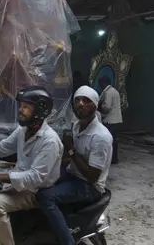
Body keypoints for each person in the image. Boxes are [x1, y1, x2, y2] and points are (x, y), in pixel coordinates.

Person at [0, 86, 63, 245]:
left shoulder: (50, 141)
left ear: (40, 111)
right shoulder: (23, 130)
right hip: (21, 183)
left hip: (35, 192)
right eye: (21, 106)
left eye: (26, 107)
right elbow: (3, 147)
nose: (21, 110)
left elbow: (35, 177)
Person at [36, 86, 113, 245]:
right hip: (73, 174)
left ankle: (67, 241)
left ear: (95, 105)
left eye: (86, 100)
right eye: (77, 100)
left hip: (89, 186)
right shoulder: (77, 126)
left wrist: (71, 151)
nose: (81, 104)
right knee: (38, 182)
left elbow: (93, 176)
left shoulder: (100, 136)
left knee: (46, 197)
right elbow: (69, 159)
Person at [98, 76, 122, 164]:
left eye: (100, 84)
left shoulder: (108, 93)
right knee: (114, 140)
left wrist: (100, 107)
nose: (100, 86)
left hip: (110, 120)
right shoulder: (114, 91)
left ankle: (110, 158)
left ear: (103, 83)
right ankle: (114, 158)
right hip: (116, 119)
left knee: (108, 140)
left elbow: (106, 107)